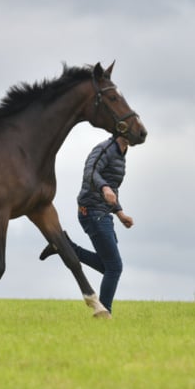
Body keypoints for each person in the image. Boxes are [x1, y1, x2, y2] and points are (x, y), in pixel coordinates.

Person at [40, 134, 134, 317]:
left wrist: (120, 213)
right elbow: (90, 171)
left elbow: (113, 187)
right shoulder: (105, 149)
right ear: (121, 130)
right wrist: (104, 188)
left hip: (103, 212)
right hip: (91, 211)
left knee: (109, 267)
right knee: (114, 267)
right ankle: (104, 312)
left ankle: (63, 246)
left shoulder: (122, 154)